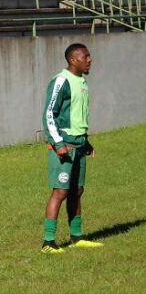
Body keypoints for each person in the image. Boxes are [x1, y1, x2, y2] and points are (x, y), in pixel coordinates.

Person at [41, 43, 103, 254]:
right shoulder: (61, 81)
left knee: (77, 190)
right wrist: (58, 144)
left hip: (78, 145)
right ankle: (48, 242)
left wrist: (85, 142)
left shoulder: (82, 82)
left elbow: (77, 116)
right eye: (86, 56)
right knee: (61, 191)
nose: (90, 60)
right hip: (64, 145)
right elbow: (50, 114)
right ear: (73, 60)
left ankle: (76, 237)